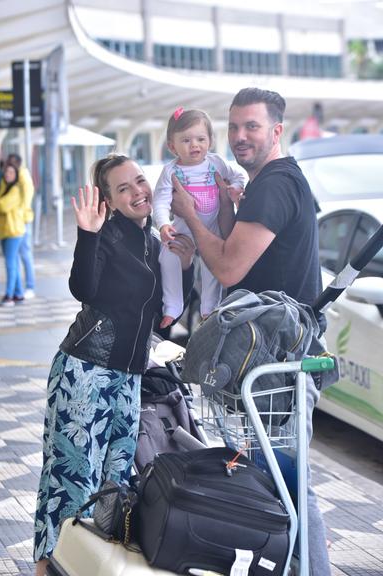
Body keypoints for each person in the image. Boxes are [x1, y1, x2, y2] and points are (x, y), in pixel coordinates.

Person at [171, 87, 330, 576]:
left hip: (277, 365)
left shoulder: (275, 184)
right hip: (274, 360)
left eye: (253, 127)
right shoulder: (273, 182)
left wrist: (191, 215)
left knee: (285, 486)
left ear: (277, 130)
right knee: (276, 484)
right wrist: (222, 206)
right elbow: (240, 247)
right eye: (234, 126)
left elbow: (228, 267)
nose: (240, 137)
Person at [33, 154, 194, 576]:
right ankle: (47, 567)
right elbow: (83, 288)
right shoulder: (105, 235)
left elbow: (167, 314)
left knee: (117, 483)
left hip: (129, 378)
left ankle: (89, 565)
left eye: (139, 181)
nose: (138, 192)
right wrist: (87, 234)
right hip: (85, 372)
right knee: (71, 478)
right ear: (109, 200)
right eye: (124, 189)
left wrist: (187, 266)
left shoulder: (152, 242)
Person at [153, 107, 246, 329]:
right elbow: (161, 201)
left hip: (212, 228)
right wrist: (164, 224)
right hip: (183, 229)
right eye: (186, 140)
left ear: (210, 141)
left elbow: (238, 175)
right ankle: (172, 305)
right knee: (167, 258)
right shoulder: (171, 171)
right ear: (172, 146)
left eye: (200, 139)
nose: (194, 145)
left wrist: (234, 188)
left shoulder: (216, 163)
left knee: (211, 267)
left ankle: (208, 308)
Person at [6, 153, 36, 299]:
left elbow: (27, 198)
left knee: (25, 253)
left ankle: (30, 286)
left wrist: (21, 215)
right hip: (19, 220)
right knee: (17, 256)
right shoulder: (17, 176)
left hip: (23, 220)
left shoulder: (22, 175)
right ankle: (19, 289)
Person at [0, 163, 25, 306]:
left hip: (13, 231)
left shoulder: (16, 189)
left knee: (10, 264)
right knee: (13, 262)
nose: (8, 174)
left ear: (16, 175)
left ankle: (9, 296)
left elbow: (3, 206)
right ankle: (19, 294)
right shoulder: (4, 186)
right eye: (6, 172)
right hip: (5, 231)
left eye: (11, 172)